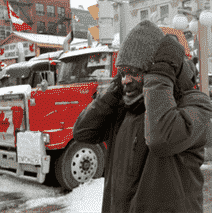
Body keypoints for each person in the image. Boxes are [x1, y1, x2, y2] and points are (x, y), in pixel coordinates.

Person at [73, 20, 212, 213]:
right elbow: (83, 132)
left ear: (155, 71)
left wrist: (161, 76)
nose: (125, 80)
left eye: (134, 72)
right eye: (122, 73)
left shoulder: (196, 105)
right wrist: (114, 90)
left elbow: (162, 138)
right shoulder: (123, 109)